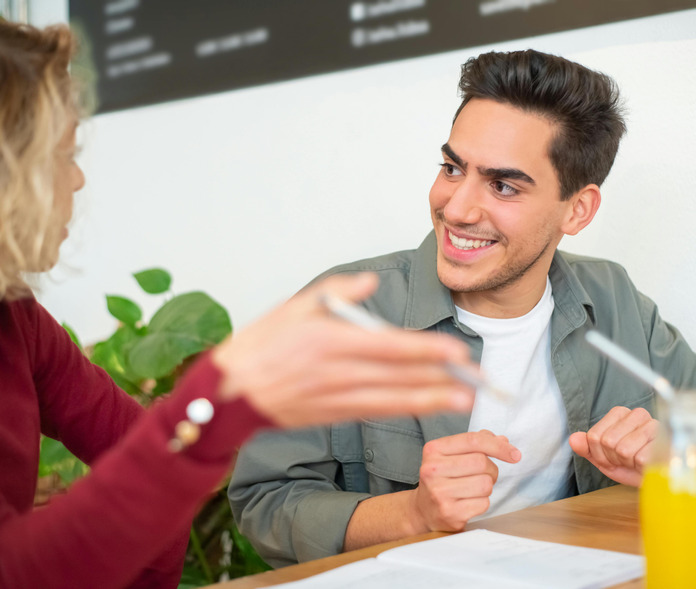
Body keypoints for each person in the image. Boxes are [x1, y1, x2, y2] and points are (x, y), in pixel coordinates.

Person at [0, 11, 478, 589]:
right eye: (62, 155)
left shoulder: (9, 320)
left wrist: (240, 404)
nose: (78, 180)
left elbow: (145, 457)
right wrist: (218, 396)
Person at [228, 48, 696, 567]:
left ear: (577, 210)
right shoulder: (339, 312)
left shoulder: (616, 298)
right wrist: (413, 513)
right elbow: (264, 503)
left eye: (502, 185)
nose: (456, 208)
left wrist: (670, 459)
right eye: (452, 168)